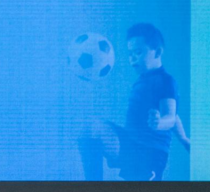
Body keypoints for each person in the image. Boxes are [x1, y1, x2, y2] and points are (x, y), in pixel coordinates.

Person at [78, 23, 184, 181]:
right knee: (90, 128)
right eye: (130, 53)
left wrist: (159, 122)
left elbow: (170, 116)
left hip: (150, 152)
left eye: (138, 52)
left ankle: (147, 175)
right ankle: (93, 189)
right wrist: (185, 139)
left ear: (158, 52)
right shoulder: (142, 80)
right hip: (130, 144)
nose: (132, 58)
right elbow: (176, 117)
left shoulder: (165, 81)